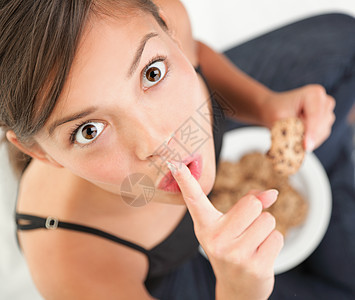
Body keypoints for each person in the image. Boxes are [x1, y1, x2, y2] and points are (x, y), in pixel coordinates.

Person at [0, 0, 354, 299]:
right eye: (89, 130)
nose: (159, 141)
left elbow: (197, 56)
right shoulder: (73, 264)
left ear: (169, 31)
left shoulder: (167, 12)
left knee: (344, 39)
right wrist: (236, 289)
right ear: (39, 153)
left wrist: (264, 105)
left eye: (151, 73)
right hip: (178, 271)